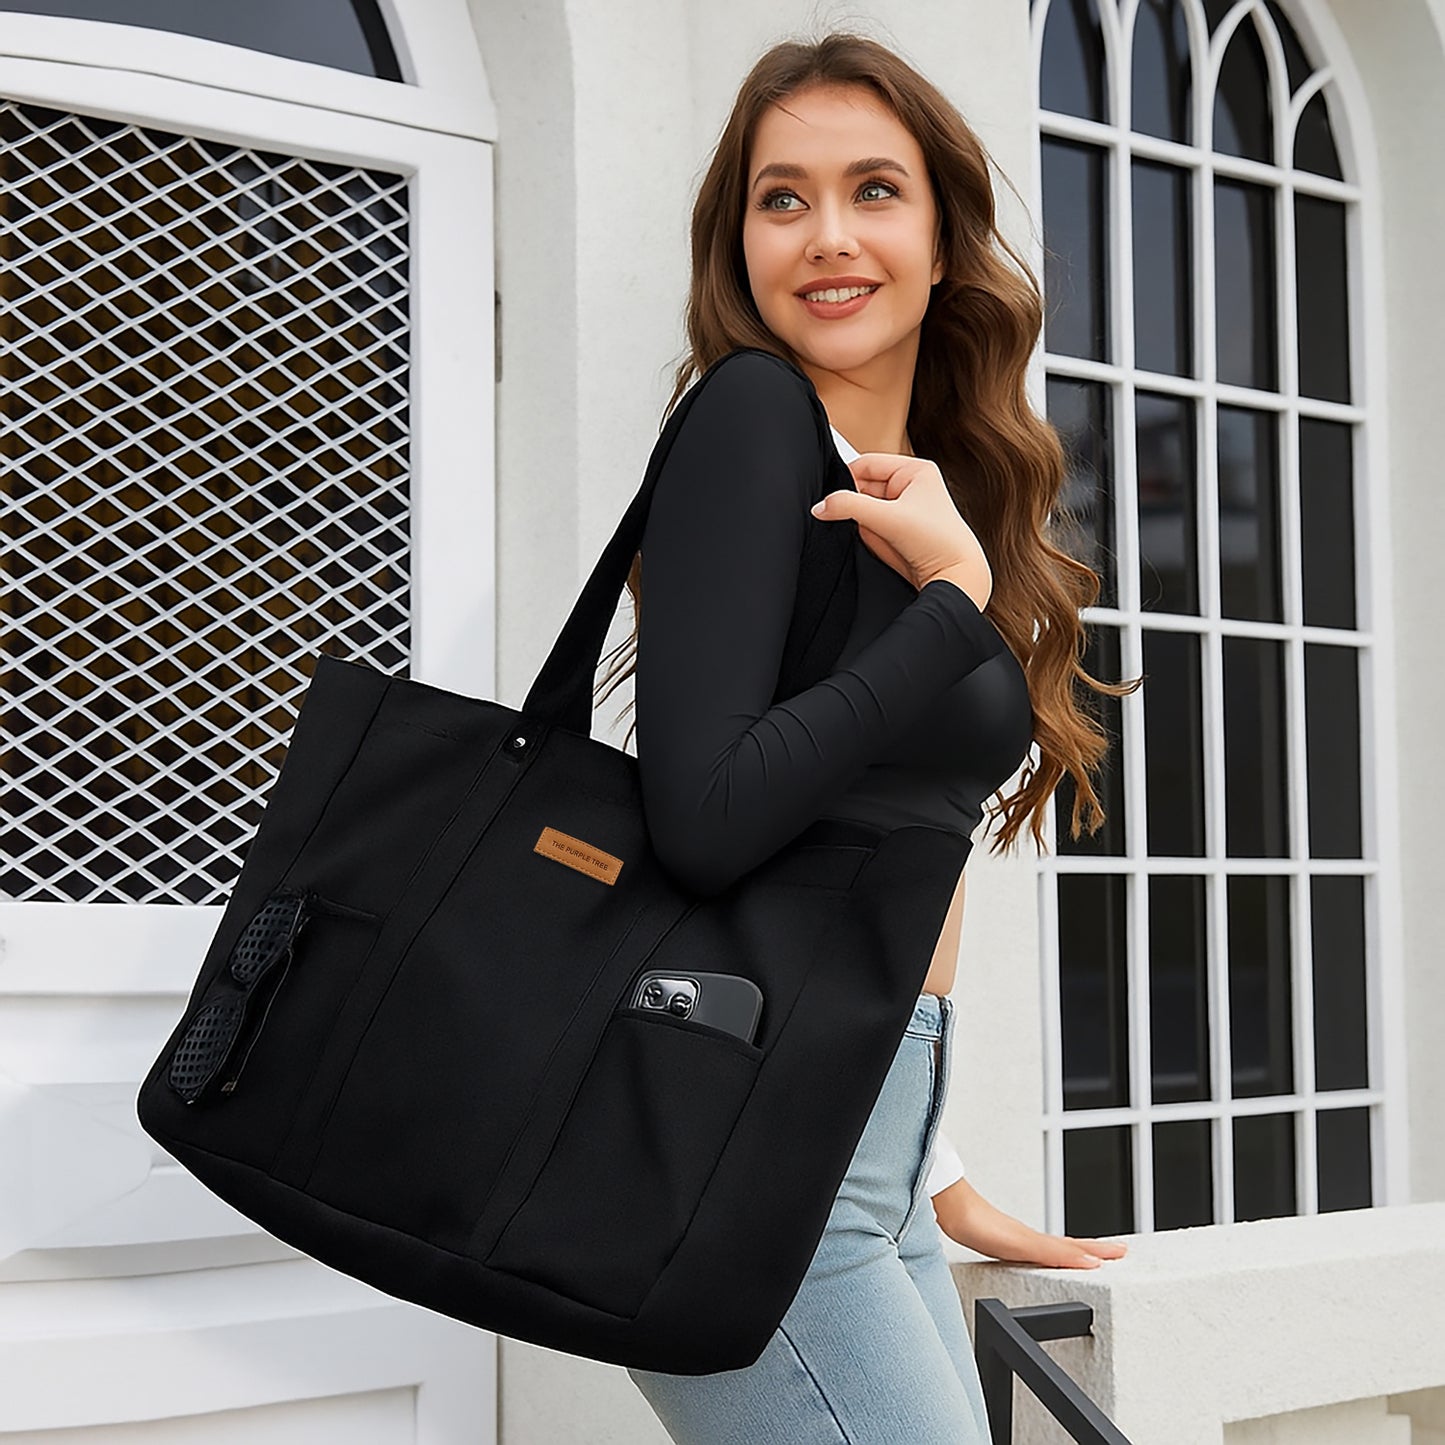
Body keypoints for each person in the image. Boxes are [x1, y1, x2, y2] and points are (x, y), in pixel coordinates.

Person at [593, 29, 1133, 1445]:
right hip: (763, 1160)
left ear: (947, 238)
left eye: (872, 190)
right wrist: (951, 605)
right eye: (781, 197)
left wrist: (929, 1165)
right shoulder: (749, 419)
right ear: (739, 239)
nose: (825, 236)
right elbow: (704, 813)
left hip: (862, 1152)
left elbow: (888, 844)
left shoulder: (919, 487)